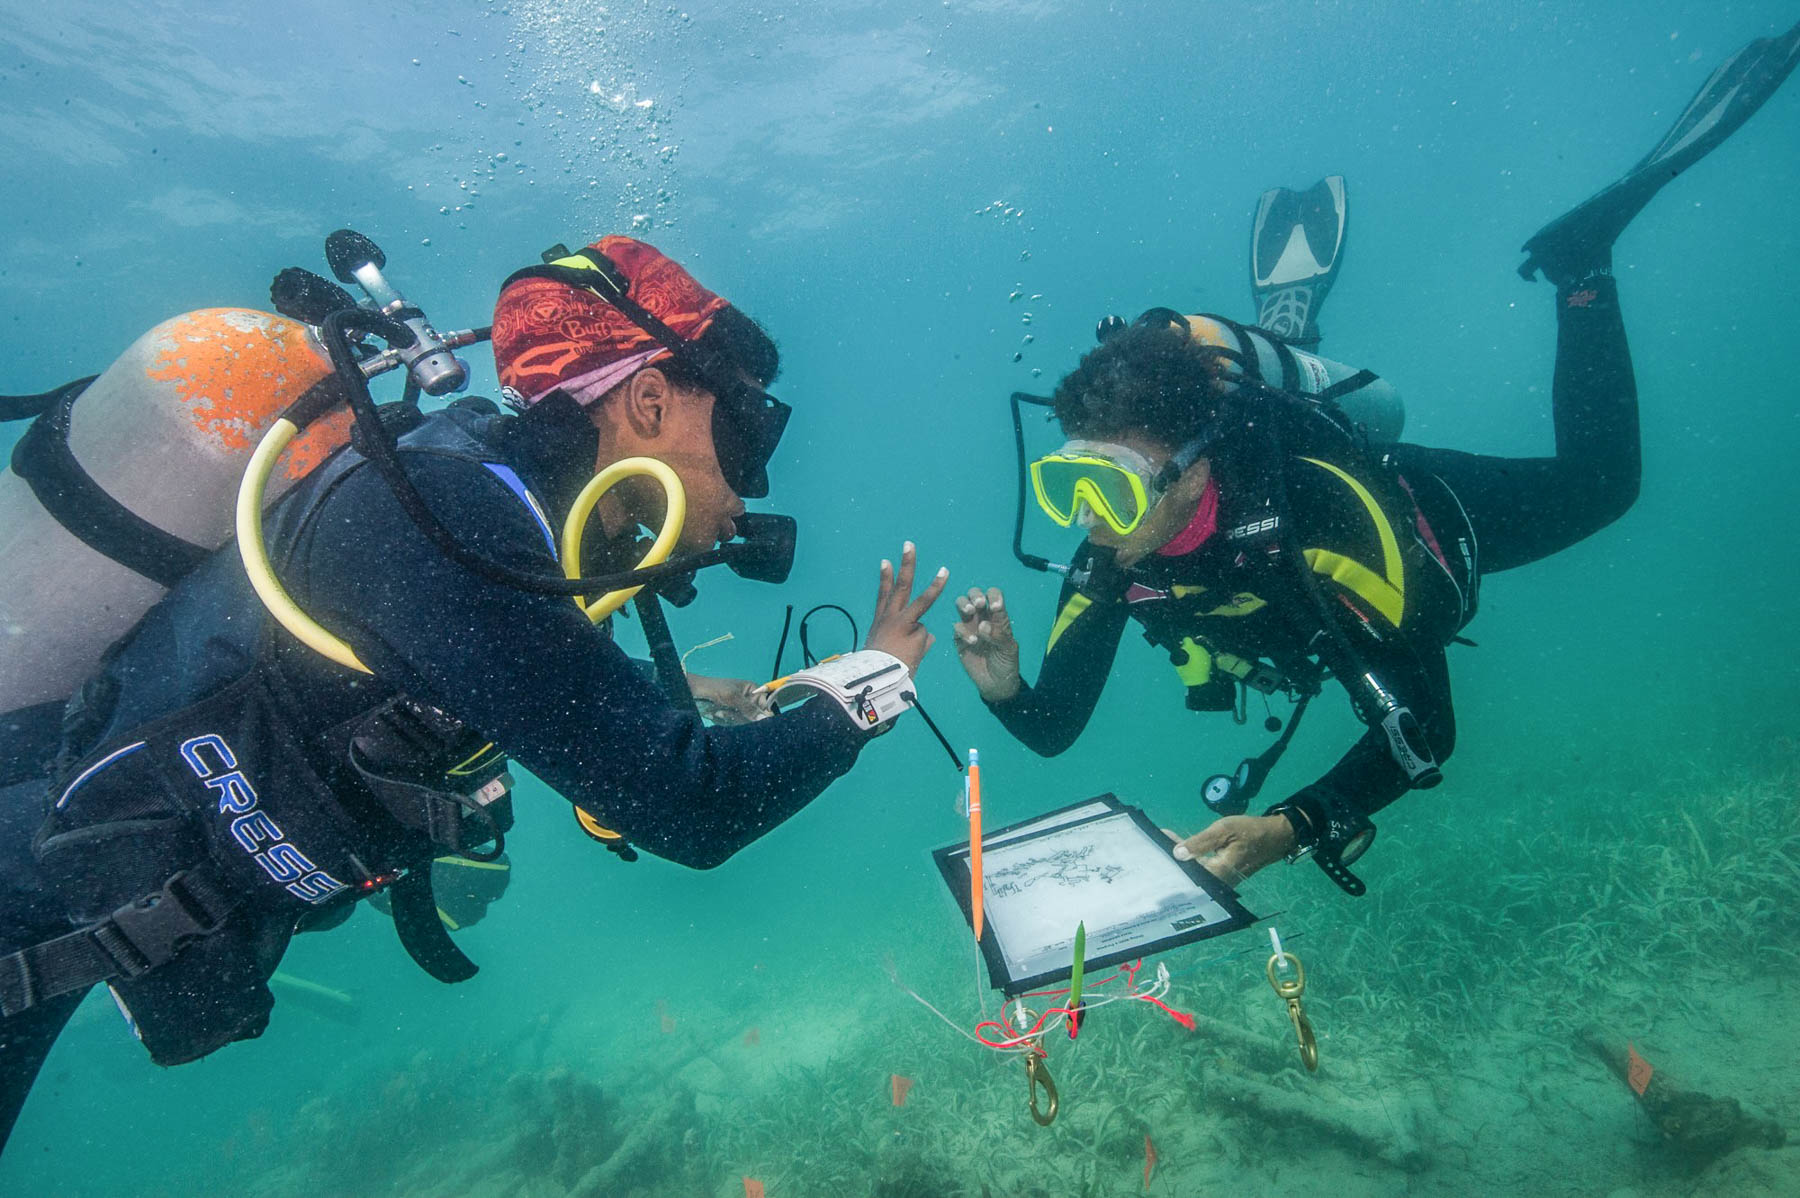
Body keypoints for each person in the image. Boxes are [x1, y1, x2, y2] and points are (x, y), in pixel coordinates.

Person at [0, 235, 949, 1151]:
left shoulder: (484, 504)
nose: (754, 488)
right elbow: (695, 808)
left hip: (71, 898)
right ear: (650, 400)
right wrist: (871, 683)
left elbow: (491, 671)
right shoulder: (451, 523)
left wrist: (695, 693)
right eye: (746, 434)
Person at [954, 21, 1799, 896]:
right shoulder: (1112, 555)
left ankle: (1580, 270)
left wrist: (1292, 825)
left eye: (1114, 487)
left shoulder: (1322, 516)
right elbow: (1053, 728)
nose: (1091, 519)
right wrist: (1004, 684)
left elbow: (1427, 725)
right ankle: (1281, 339)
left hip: (1425, 506)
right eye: (1067, 482)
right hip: (1269, 540)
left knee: (1606, 486)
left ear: (1197, 467)